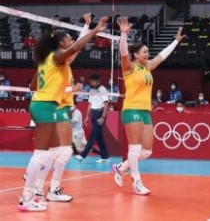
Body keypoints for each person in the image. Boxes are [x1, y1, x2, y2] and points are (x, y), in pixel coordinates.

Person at [18, 15, 108, 211]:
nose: (72, 41)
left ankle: (35, 192)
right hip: (46, 106)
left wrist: (56, 88)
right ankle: (26, 197)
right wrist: (95, 30)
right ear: (60, 43)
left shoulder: (48, 60)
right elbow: (76, 47)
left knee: (52, 152)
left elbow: (34, 85)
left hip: (44, 104)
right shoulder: (58, 57)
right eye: (68, 38)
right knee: (42, 154)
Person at [112, 17, 184, 195]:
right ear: (136, 55)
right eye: (144, 52)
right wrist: (123, 34)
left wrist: (175, 41)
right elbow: (123, 52)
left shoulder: (147, 68)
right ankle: (136, 182)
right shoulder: (129, 67)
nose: (147, 54)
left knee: (146, 151)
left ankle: (121, 168)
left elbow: (162, 56)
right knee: (135, 149)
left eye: (147, 52)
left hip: (145, 111)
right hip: (131, 109)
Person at [74, 73, 110, 163]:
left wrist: (103, 117)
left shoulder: (103, 90)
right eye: (91, 81)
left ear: (98, 81)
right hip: (93, 114)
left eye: (94, 81)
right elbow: (90, 104)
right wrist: (86, 117)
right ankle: (105, 156)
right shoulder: (91, 90)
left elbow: (106, 104)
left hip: (100, 114)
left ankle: (83, 155)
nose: (92, 83)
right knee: (99, 137)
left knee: (93, 135)